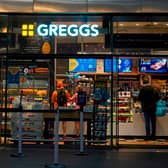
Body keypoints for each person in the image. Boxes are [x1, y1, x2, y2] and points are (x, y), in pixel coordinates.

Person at [138, 75, 160, 141]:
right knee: (153, 122)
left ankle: (147, 136)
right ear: (149, 81)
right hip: (153, 108)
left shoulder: (142, 89)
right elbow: (158, 98)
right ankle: (153, 136)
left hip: (145, 108)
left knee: (147, 122)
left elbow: (139, 98)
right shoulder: (153, 89)